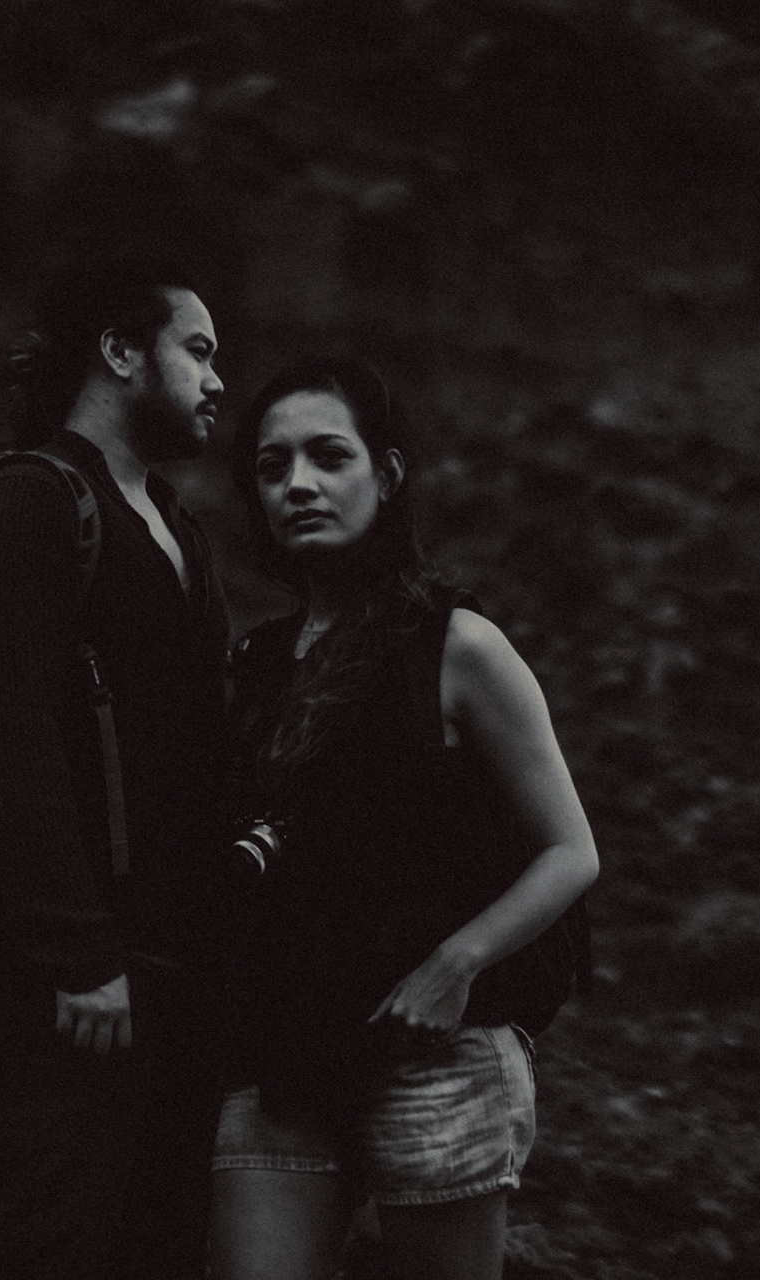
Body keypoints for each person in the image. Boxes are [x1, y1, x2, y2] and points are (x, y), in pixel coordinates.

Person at [210, 357, 600, 1280]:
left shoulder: (457, 646)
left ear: (385, 476)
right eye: (272, 466)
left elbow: (571, 851)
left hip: (433, 1053)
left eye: (328, 456)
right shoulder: (257, 664)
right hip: (282, 1055)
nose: (298, 484)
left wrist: (454, 966)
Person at [0, 253, 231, 1280]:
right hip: (66, 986)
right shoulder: (30, 501)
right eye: (197, 350)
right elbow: (12, 740)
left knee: (162, 1248)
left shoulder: (177, 527)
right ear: (119, 351)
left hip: (170, 973)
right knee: (61, 1242)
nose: (217, 379)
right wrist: (76, 953)